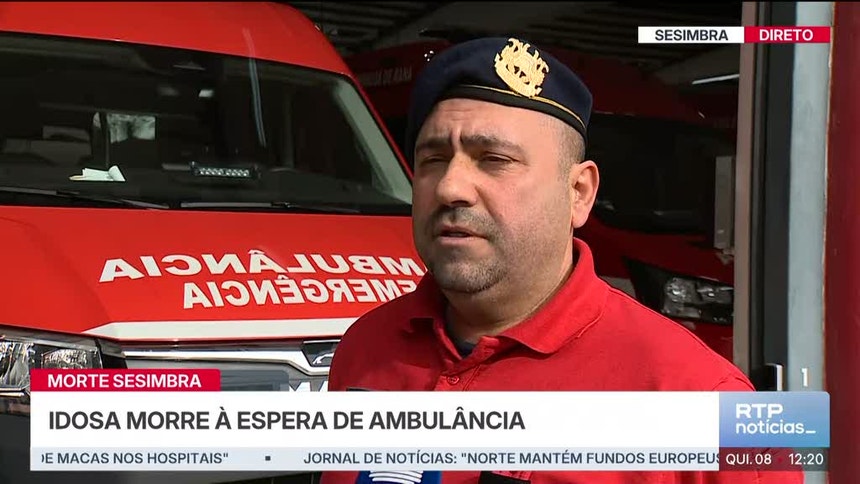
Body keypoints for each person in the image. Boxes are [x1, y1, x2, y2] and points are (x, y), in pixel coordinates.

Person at [321, 37, 803, 484]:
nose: (450, 187)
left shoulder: (703, 404)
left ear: (578, 193)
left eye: (494, 159)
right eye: (432, 159)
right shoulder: (366, 347)